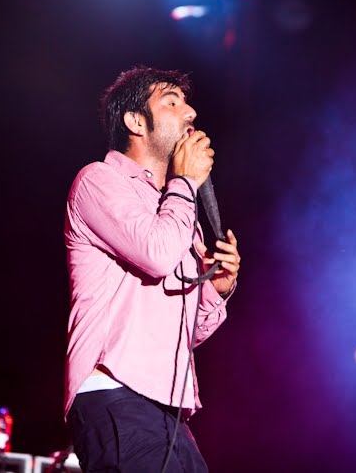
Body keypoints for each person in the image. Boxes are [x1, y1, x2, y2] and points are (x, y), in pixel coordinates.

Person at [63, 65, 241, 473]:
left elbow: (184, 333)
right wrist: (185, 183)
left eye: (187, 103)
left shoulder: (175, 207)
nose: (190, 112)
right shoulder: (99, 181)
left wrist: (215, 289)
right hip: (114, 390)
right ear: (136, 121)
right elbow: (157, 255)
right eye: (172, 102)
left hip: (164, 406)